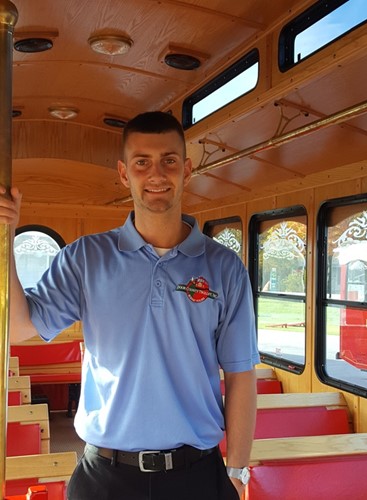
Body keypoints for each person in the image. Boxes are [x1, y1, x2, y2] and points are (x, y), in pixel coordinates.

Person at [0, 111, 259, 500]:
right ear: (124, 173)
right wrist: (4, 238)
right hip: (105, 476)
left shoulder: (225, 268)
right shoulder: (86, 258)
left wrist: (237, 469)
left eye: (169, 161)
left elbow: (241, 375)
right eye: (142, 162)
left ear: (186, 170)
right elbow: (18, 327)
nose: (157, 174)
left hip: (197, 475)